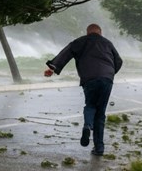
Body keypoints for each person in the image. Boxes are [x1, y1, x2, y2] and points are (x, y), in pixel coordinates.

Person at [44, 23, 122, 157]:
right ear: (100, 32)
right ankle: (99, 149)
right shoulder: (107, 43)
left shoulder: (80, 41)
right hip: (106, 79)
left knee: (90, 105)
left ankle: (87, 125)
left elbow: (65, 53)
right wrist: (109, 73)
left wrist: (52, 68)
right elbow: (119, 61)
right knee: (101, 113)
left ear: (88, 32)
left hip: (89, 78)